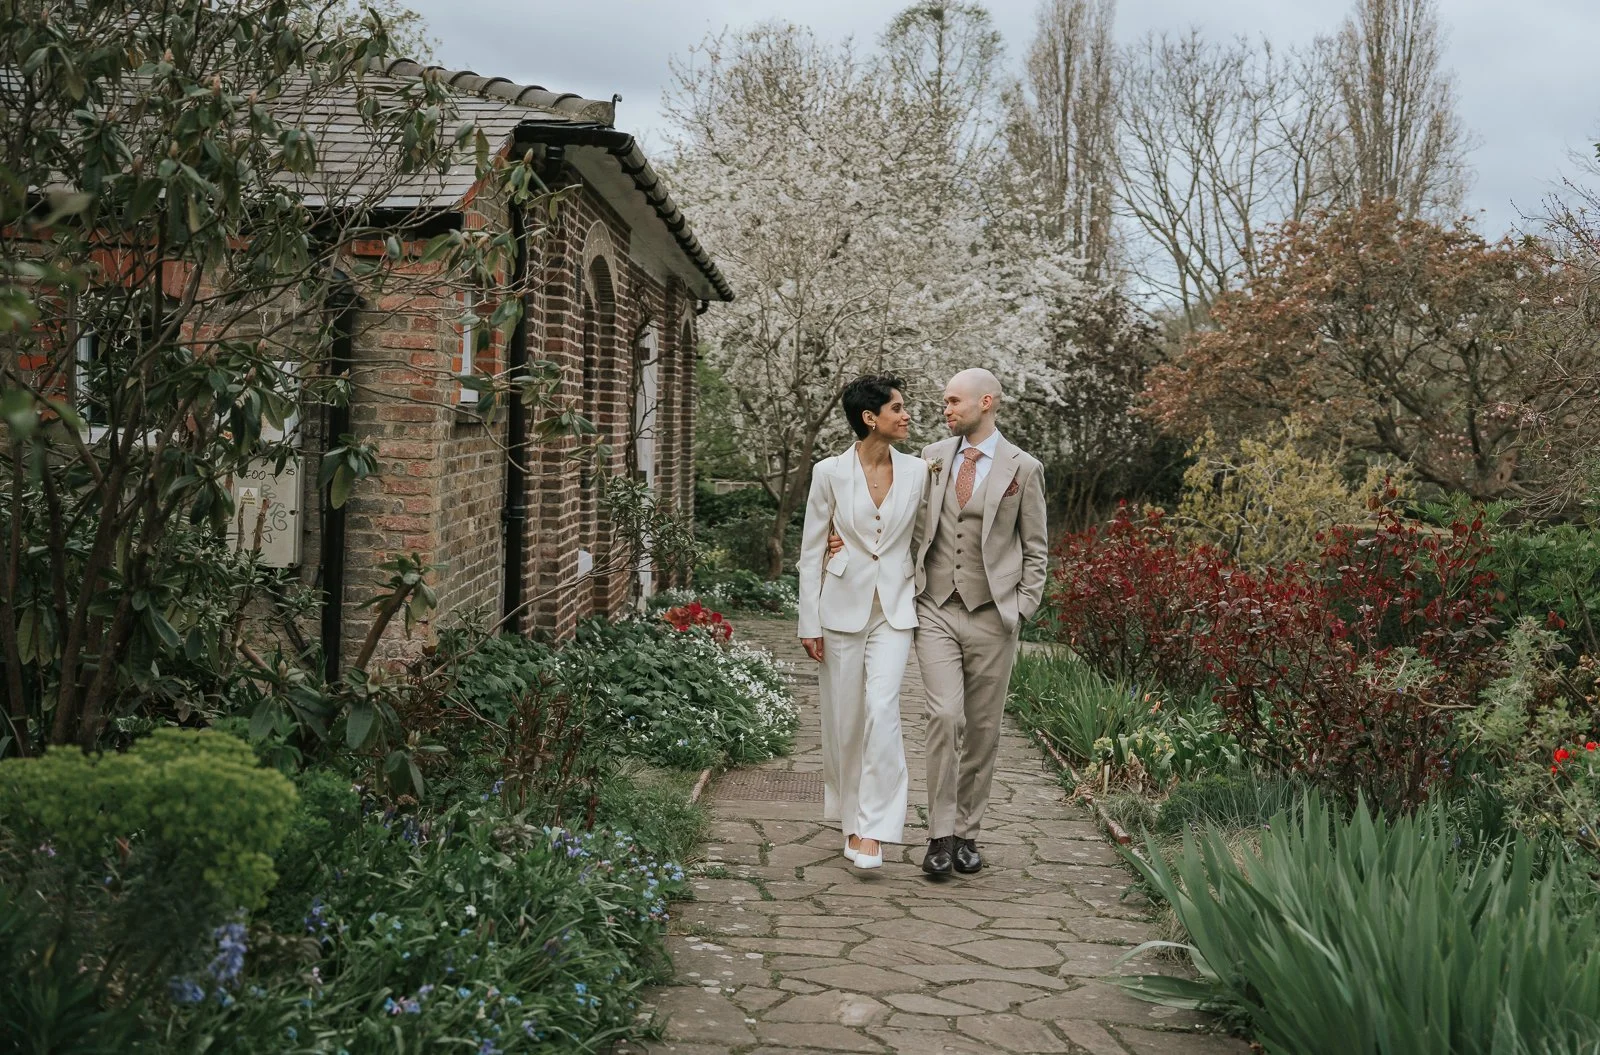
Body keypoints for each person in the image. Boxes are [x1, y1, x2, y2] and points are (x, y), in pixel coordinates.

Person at [911, 368, 1048, 876]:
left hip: (994, 615)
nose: (945, 409)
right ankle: (939, 835)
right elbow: (903, 521)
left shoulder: (1024, 468)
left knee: (984, 729)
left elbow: (1036, 548)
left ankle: (968, 833)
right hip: (936, 608)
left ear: (984, 401)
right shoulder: (929, 458)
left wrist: (1023, 606)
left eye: (952, 401)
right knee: (945, 717)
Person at [796, 375, 928, 871]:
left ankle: (874, 828)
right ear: (870, 417)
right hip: (840, 608)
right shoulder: (829, 473)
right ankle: (849, 821)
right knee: (845, 720)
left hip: (894, 608)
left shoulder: (919, 471)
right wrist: (808, 620)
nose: (906, 415)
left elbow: (931, 532)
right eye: (897, 408)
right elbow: (810, 551)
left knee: (883, 707)